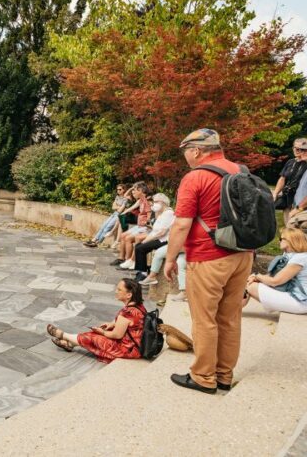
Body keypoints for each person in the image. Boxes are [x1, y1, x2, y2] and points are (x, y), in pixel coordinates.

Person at [164, 129, 254, 395]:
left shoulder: (195, 177)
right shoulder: (240, 170)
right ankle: (224, 375)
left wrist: (170, 259)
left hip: (209, 258)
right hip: (242, 255)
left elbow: (181, 224)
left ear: (196, 150)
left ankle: (203, 376)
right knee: (230, 318)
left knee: (205, 320)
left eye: (185, 152)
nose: (185, 157)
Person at [46, 278, 146, 363]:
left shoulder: (128, 312)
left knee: (95, 337)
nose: (116, 291)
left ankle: (63, 335)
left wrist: (103, 332)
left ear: (129, 295)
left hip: (128, 350)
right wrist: (111, 324)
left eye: (119, 290)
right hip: (134, 344)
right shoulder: (138, 306)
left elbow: (117, 335)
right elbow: (127, 323)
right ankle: (70, 344)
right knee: (96, 333)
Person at [244, 228, 307, 314]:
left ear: (290, 240)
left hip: (301, 301)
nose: (279, 241)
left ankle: (231, 310)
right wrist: (254, 277)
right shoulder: (290, 255)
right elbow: (272, 276)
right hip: (293, 295)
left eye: (281, 239)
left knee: (250, 286)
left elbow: (275, 281)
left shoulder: (300, 258)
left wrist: (257, 276)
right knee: (249, 282)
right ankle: (233, 309)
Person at [131, 193, 175, 281]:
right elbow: (154, 231)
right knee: (139, 246)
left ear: (163, 202)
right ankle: (141, 270)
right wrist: (145, 241)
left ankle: (143, 273)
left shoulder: (169, 213)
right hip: (158, 238)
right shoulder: (162, 213)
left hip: (164, 240)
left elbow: (162, 232)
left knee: (140, 248)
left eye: (156, 202)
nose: (154, 204)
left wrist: (146, 241)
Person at [112, 183, 152, 268]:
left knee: (128, 238)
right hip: (139, 226)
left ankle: (128, 261)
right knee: (123, 235)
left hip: (145, 228)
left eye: (135, 190)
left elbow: (150, 216)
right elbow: (131, 208)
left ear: (140, 191)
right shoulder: (140, 200)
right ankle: (121, 259)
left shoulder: (148, 201)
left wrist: (146, 222)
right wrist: (122, 213)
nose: (133, 192)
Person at [273, 138, 307, 223]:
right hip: (288, 198)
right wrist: (275, 193)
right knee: (288, 224)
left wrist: (299, 207)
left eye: (301, 149)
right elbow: (282, 178)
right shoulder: (290, 162)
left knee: (299, 224)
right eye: (296, 148)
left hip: (301, 200)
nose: (298, 151)